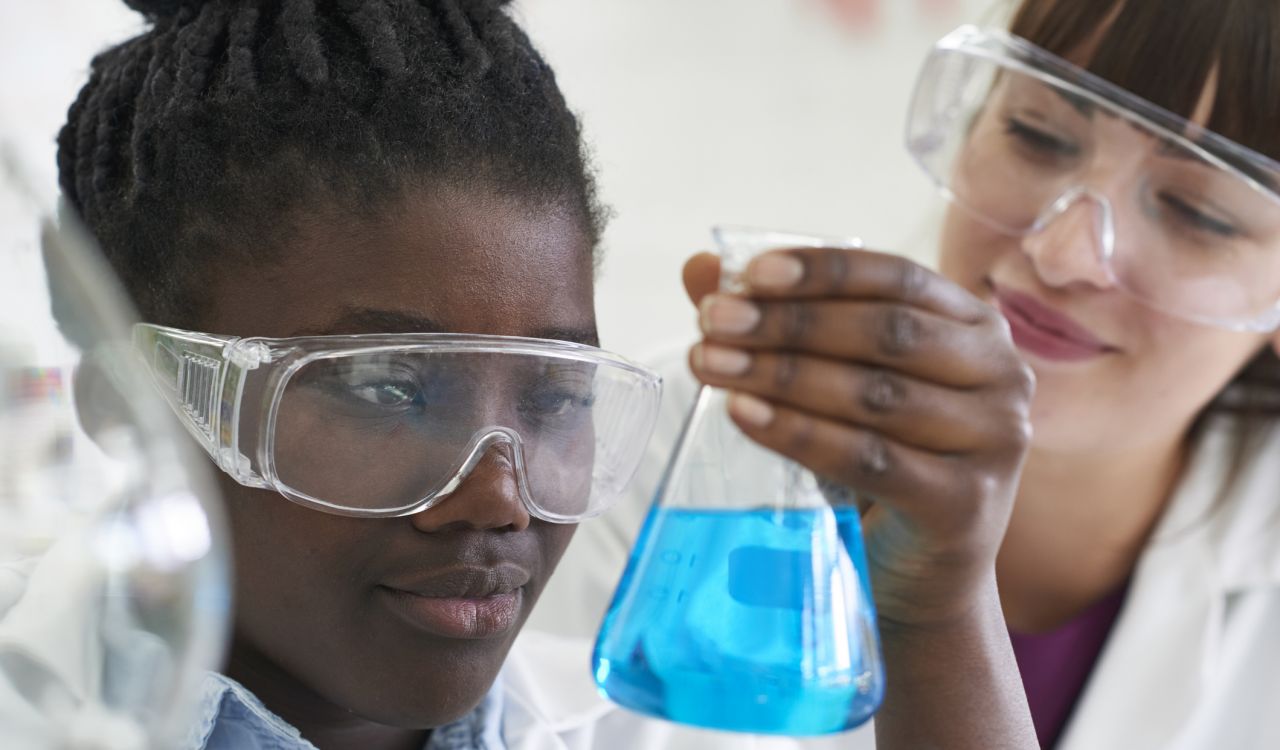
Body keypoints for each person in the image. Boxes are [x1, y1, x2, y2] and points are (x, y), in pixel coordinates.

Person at [51, 0, 1041, 748]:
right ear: (126, 402)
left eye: (555, 396)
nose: (497, 496)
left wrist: (939, 609)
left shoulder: (640, 730)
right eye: (387, 389)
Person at [541, 0, 1280, 748]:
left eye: (1199, 214)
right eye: (1035, 135)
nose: (1061, 254)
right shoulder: (654, 453)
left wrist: (941, 620)